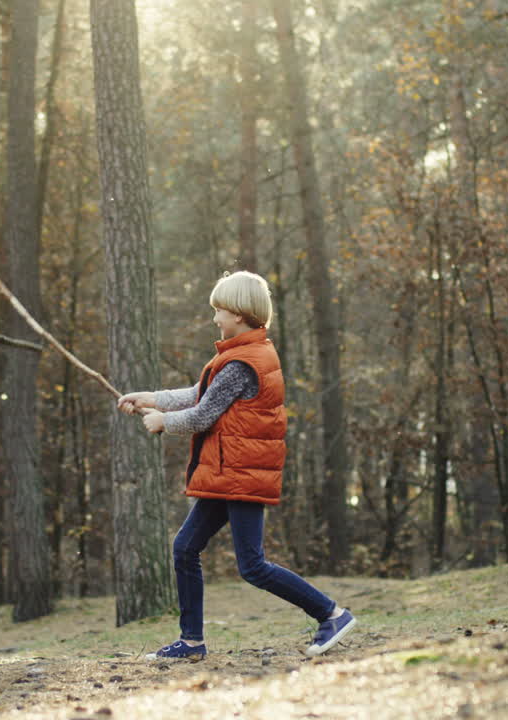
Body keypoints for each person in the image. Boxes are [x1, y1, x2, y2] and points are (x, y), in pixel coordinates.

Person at [117, 271, 356, 662]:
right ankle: (191, 642)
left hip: (241, 473)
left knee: (253, 566)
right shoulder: (240, 354)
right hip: (226, 472)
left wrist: (164, 422)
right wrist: (152, 398)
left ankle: (332, 613)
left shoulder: (244, 362)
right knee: (185, 547)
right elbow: (201, 394)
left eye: (220, 311)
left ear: (241, 314)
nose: (215, 319)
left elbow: (203, 414)